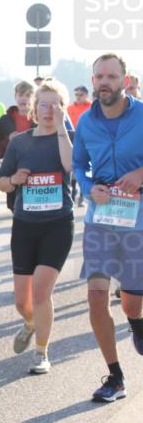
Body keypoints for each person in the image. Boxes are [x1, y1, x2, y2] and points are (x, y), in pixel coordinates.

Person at [72, 53, 143, 403]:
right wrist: (89, 189)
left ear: (124, 80)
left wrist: (141, 174)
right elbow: (77, 166)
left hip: (138, 218)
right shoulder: (86, 122)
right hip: (100, 219)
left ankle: (137, 322)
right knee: (97, 295)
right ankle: (114, 376)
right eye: (99, 76)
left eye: (111, 76)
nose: (104, 82)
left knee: (131, 303)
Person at [0, 79, 75, 374]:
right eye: (44, 104)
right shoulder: (19, 141)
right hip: (25, 225)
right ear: (34, 107)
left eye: (56, 105)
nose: (49, 110)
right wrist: (15, 180)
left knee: (41, 292)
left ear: (63, 109)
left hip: (57, 225)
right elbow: (2, 182)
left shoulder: (67, 138)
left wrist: (63, 128)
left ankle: (42, 353)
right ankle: (30, 322)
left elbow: (69, 167)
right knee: (22, 300)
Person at [0, 81, 36, 212]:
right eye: (20, 94)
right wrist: (8, 141)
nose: (23, 98)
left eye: (27, 95)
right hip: (12, 169)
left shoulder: (40, 119)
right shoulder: (5, 120)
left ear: (33, 98)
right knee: (14, 206)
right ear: (15, 97)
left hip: (36, 170)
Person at [67, 85, 91, 207]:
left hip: (87, 140)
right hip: (73, 140)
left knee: (84, 168)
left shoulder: (91, 107)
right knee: (73, 166)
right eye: (76, 95)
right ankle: (73, 194)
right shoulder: (70, 108)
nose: (78, 97)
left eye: (81, 95)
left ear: (86, 95)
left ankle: (82, 196)